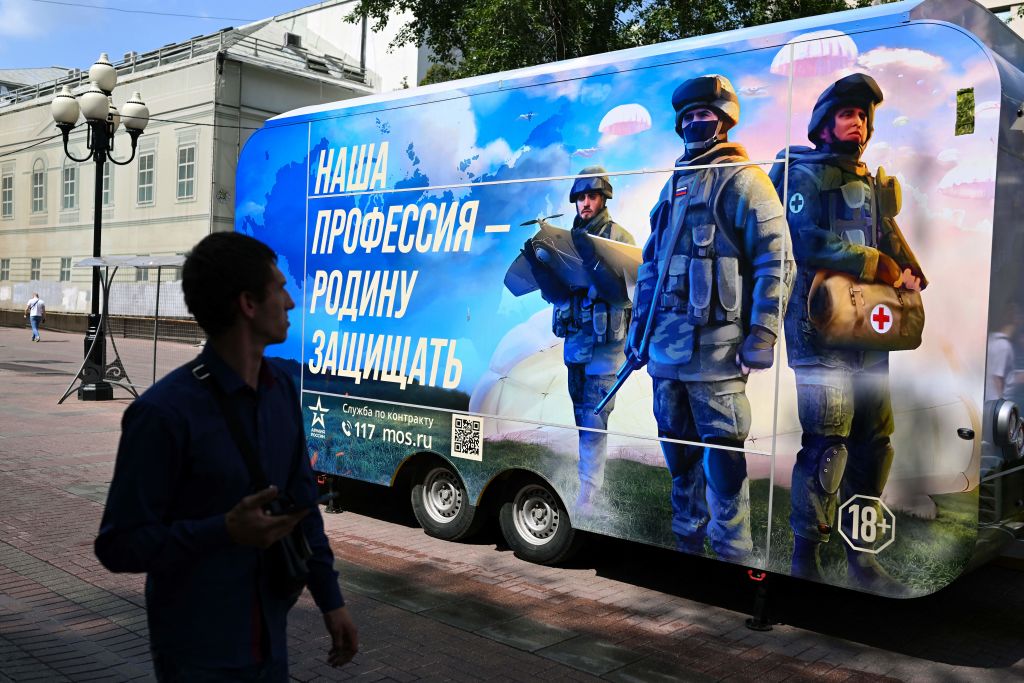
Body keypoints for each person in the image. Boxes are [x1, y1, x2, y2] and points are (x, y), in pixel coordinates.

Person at [95, 232, 358, 681]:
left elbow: (302, 506)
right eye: (280, 289)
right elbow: (118, 546)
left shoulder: (281, 389)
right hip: (198, 652)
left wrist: (331, 602)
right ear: (248, 304)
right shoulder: (163, 413)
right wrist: (223, 531)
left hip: (271, 643)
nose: (291, 302)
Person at [625, 74, 793, 561]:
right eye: (689, 117)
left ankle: (732, 548)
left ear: (723, 122)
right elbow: (652, 268)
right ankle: (687, 538)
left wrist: (762, 333)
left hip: (718, 352)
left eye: (705, 115)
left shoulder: (744, 180)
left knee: (722, 454)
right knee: (678, 451)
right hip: (665, 352)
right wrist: (638, 334)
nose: (695, 123)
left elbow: (777, 259)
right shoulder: (673, 185)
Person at [773, 73, 926, 590]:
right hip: (818, 329)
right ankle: (806, 561)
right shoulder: (803, 173)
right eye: (846, 114)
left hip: (868, 332)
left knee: (873, 444)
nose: (856, 122)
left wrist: (908, 270)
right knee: (827, 446)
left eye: (863, 115)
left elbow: (888, 235)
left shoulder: (869, 180)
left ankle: (862, 558)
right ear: (824, 123)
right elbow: (802, 237)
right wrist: (872, 262)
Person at [522, 167, 635, 510]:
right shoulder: (565, 240)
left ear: (603, 198)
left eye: (592, 197)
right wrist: (540, 269)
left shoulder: (619, 238)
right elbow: (559, 296)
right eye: (581, 198)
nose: (586, 203)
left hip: (606, 348)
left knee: (594, 417)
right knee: (581, 416)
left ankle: (589, 492)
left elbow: (626, 293)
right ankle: (588, 483)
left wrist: (593, 260)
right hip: (576, 346)